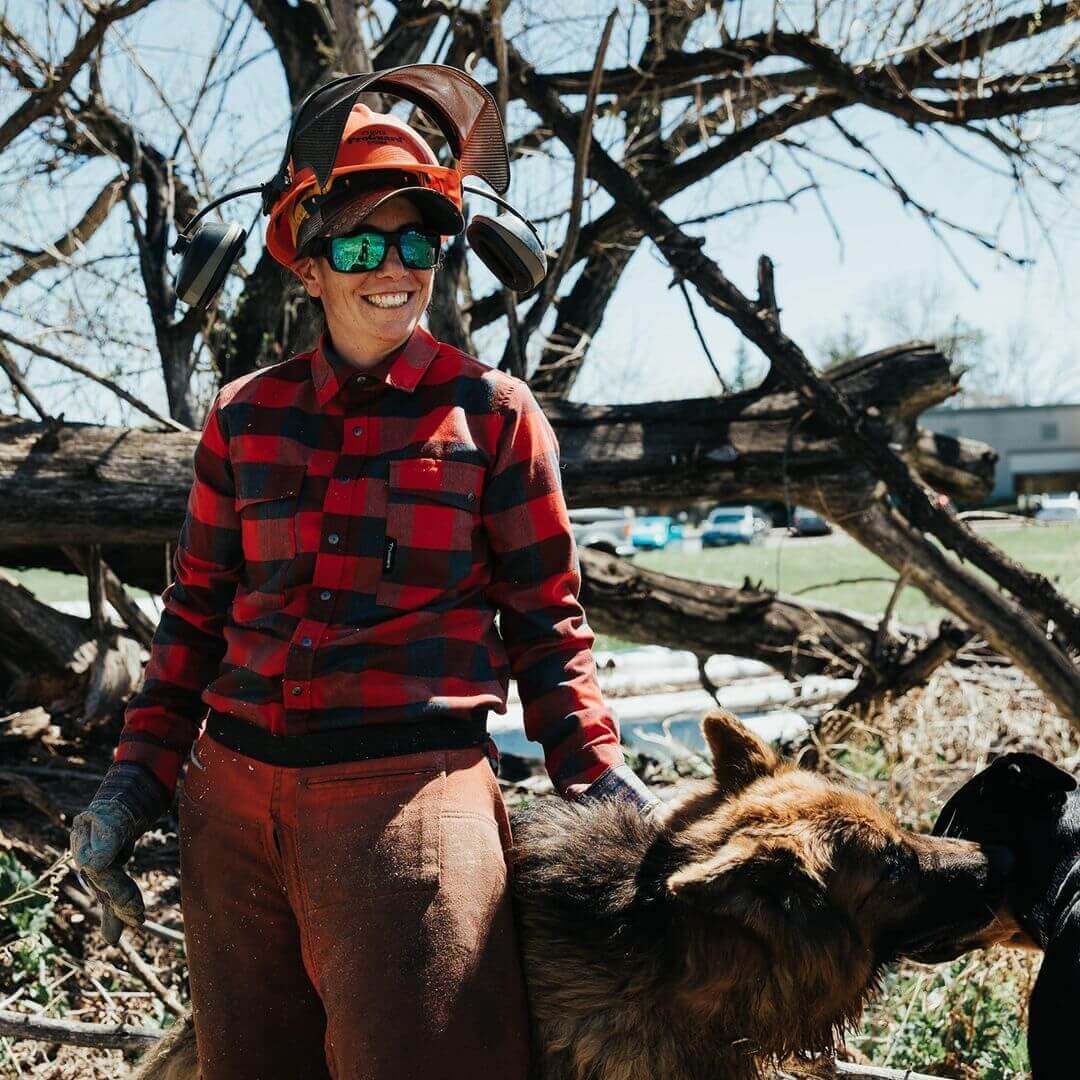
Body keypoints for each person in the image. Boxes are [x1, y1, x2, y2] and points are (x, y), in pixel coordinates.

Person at [69, 98, 657, 1080]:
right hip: (235, 818)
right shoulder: (242, 419)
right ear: (307, 265)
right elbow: (194, 624)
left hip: (413, 813)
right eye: (358, 247)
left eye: (418, 239)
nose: (392, 268)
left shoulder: (497, 416)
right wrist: (134, 786)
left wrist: (603, 780)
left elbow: (549, 629)